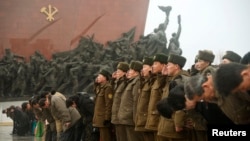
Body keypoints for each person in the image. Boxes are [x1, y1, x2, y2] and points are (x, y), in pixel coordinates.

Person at [157, 54, 190, 141]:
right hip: (168, 124)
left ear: (176, 66)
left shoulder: (180, 80)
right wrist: (163, 76)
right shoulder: (173, 79)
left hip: (173, 127)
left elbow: (181, 104)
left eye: (168, 65)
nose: (166, 67)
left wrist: (178, 124)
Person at [117, 60, 144, 141]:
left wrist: (135, 120)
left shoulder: (137, 82)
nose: (128, 72)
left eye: (130, 70)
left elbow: (136, 101)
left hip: (130, 120)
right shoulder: (130, 82)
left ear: (136, 73)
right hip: (125, 119)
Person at [145, 53, 168, 140]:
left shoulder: (166, 80)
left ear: (163, 65)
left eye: (155, 64)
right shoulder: (156, 80)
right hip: (152, 119)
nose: (152, 66)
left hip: (160, 120)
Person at [134, 57, 154, 141]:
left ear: (151, 68)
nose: (142, 70)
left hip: (149, 121)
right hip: (142, 120)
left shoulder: (153, 81)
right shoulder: (145, 82)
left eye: (144, 67)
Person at [93, 69, 114, 141]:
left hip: (103, 119)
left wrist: (107, 118)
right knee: (101, 137)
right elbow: (95, 90)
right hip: (99, 118)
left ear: (105, 78)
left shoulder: (107, 88)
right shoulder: (101, 87)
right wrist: (96, 83)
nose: (97, 77)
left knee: (105, 138)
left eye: (99, 76)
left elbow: (109, 104)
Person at [111, 62, 129, 141]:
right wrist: (113, 80)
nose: (116, 73)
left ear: (125, 72)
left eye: (119, 71)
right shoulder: (118, 83)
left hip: (121, 117)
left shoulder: (125, 83)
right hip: (116, 117)